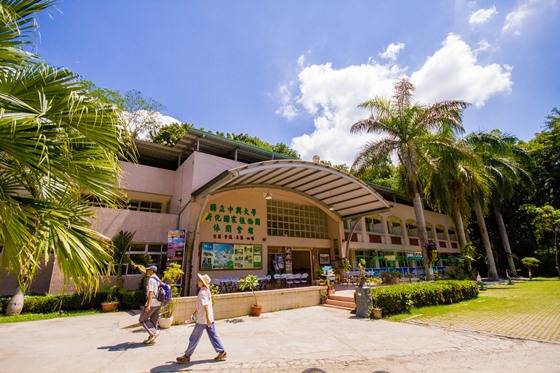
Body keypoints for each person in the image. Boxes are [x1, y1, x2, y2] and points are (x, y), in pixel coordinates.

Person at [176, 273, 227, 363]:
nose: (198, 281)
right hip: (209, 318)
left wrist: (207, 318)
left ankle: (187, 356)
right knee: (213, 336)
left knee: (194, 338)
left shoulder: (202, 292)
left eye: (200, 280)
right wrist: (194, 314)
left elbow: (205, 306)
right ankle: (221, 352)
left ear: (203, 282)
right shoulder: (207, 291)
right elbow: (201, 306)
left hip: (203, 320)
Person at [138, 265, 161, 345]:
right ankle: (152, 339)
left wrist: (148, 305)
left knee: (142, 319)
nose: (147, 271)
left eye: (149, 270)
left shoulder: (151, 279)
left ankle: (153, 333)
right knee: (154, 320)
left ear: (152, 271)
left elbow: (150, 292)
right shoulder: (158, 279)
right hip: (158, 302)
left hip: (153, 302)